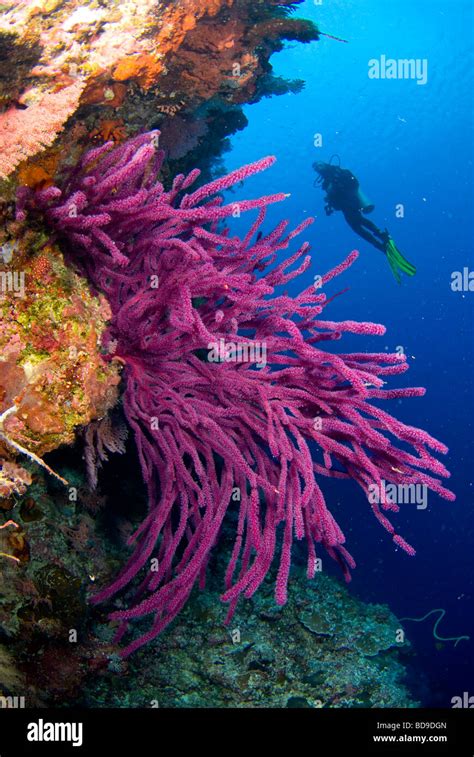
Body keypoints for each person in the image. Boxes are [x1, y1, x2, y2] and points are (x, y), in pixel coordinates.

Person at [313, 160, 416, 283]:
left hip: (351, 202)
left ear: (325, 164)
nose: (318, 168)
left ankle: (381, 237)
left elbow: (351, 184)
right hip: (345, 207)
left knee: (358, 222)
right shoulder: (326, 182)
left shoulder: (337, 172)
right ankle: (381, 241)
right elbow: (334, 201)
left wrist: (336, 189)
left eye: (319, 165)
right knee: (357, 228)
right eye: (316, 168)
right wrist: (329, 202)